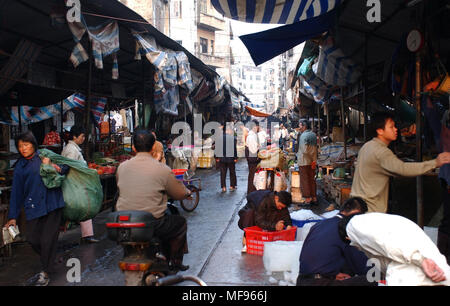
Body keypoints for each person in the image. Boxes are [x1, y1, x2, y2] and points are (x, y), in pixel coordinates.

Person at [116, 129, 192, 271]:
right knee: (180, 223)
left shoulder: (121, 167)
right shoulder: (162, 169)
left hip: (124, 221)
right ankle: (174, 261)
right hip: (153, 222)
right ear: (152, 148)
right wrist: (187, 192)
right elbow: (179, 193)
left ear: (133, 147)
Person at [4, 131, 69, 286]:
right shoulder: (20, 166)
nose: (23, 148)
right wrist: (12, 216)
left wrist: (56, 167)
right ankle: (50, 258)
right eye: (20, 146)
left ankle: (45, 272)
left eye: (26, 145)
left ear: (33, 144)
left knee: (47, 240)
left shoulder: (45, 155)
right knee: (33, 239)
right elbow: (16, 193)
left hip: (52, 204)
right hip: (34, 207)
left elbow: (66, 165)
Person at [350, 112, 450, 213]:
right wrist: (435, 163)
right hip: (370, 211)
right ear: (380, 131)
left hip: (357, 206)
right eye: (391, 127)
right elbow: (403, 169)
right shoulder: (381, 152)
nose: (395, 129)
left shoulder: (367, 146)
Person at [338, 212, 450, 286]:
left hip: (415, 274)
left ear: (348, 238)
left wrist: (421, 260)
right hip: (437, 273)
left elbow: (385, 241)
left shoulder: (354, 225)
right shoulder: (381, 220)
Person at [297, 197, 375, 286]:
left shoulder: (319, 225)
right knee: (371, 279)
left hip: (302, 281)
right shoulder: (346, 228)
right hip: (320, 283)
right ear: (356, 214)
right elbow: (361, 264)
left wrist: (333, 275)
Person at [61, 126, 99, 244]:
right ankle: (87, 235)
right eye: (82, 136)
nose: (83, 138)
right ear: (74, 137)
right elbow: (69, 166)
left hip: (77, 183)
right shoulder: (71, 150)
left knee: (84, 206)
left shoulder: (73, 148)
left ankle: (87, 235)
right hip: (74, 184)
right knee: (85, 206)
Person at [296, 119, 318, 205]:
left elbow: (304, 150)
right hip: (312, 161)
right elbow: (314, 149)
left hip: (304, 161)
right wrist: (313, 160)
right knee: (312, 180)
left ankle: (308, 199)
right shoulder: (313, 134)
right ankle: (314, 198)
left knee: (304, 180)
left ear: (304, 126)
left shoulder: (303, 136)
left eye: (300, 125)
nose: (299, 127)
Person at [217, 125, 237, 192]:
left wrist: (217, 157)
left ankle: (223, 187)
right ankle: (232, 186)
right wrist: (235, 157)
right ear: (228, 130)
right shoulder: (233, 138)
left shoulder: (220, 138)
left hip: (222, 158)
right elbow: (234, 149)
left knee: (223, 173)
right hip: (231, 158)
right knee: (232, 172)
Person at [245, 120, 260, 194]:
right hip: (252, 158)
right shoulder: (251, 136)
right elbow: (253, 149)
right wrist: (258, 147)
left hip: (252, 157)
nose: (258, 128)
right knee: (252, 175)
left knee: (252, 175)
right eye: (257, 126)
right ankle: (251, 192)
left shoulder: (253, 135)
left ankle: (251, 191)